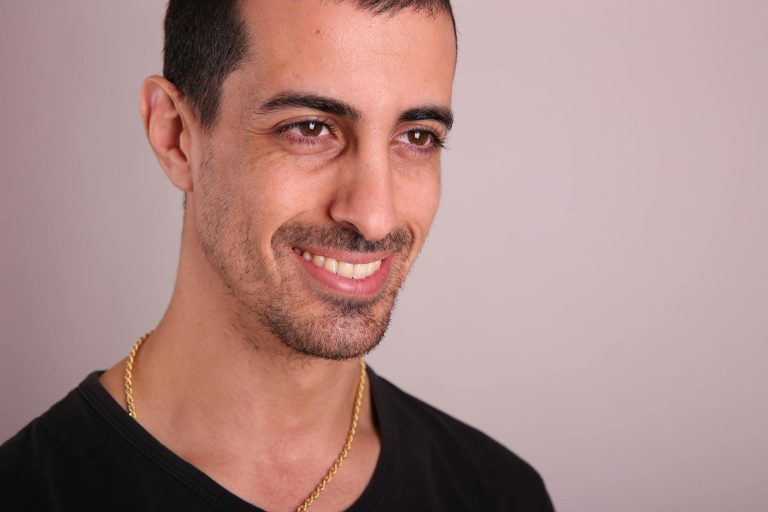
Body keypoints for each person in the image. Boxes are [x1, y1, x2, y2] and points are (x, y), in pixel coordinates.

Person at [0, 1, 554, 510]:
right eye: (310, 129)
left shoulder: (499, 494)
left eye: (417, 137)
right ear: (175, 136)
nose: (375, 216)